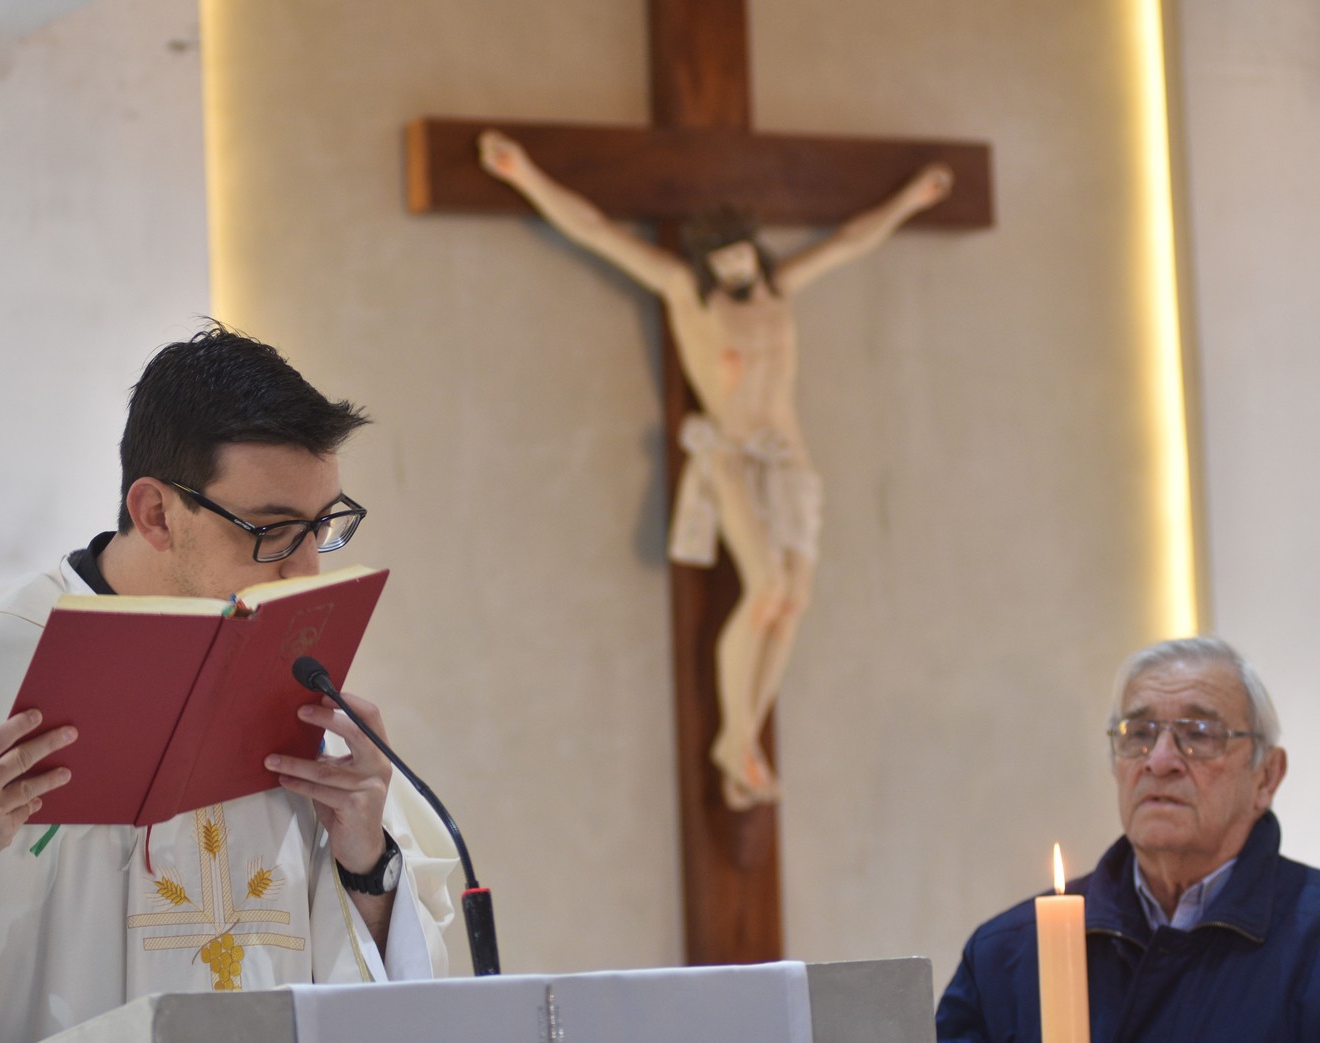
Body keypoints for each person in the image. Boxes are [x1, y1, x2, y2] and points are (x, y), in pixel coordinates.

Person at [0, 325, 459, 1042]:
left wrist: (367, 862)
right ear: (155, 513)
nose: (305, 569)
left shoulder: (293, 670)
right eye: (271, 530)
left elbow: (404, 979)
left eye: (322, 525)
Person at [479, 129, 952, 809]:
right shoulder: (688, 293)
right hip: (731, 457)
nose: (732, 267)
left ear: (752, 249)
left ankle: (743, 744)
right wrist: (523, 172)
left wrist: (910, 199)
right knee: (765, 588)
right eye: (720, 259)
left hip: (790, 461)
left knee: (793, 600)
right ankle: (735, 737)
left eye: (738, 253)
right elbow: (595, 230)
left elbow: (851, 240)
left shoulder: (779, 288)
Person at [937, 637, 1320, 1041]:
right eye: (1138, 734)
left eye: (1199, 734)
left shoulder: (1309, 942)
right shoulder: (1005, 958)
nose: (1159, 761)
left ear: (1267, 776)